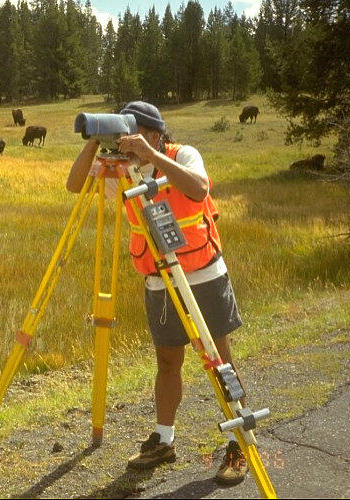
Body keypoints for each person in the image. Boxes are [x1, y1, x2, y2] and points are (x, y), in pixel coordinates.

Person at [66, 101, 247, 485]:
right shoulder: (123, 170)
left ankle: (238, 443)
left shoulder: (182, 155)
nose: (124, 142)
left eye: (130, 134)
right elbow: (75, 185)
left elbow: (198, 189)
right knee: (167, 362)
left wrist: (151, 155)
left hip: (202, 275)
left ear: (153, 133)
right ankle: (164, 440)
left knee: (219, 360)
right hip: (159, 282)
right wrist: (94, 141)